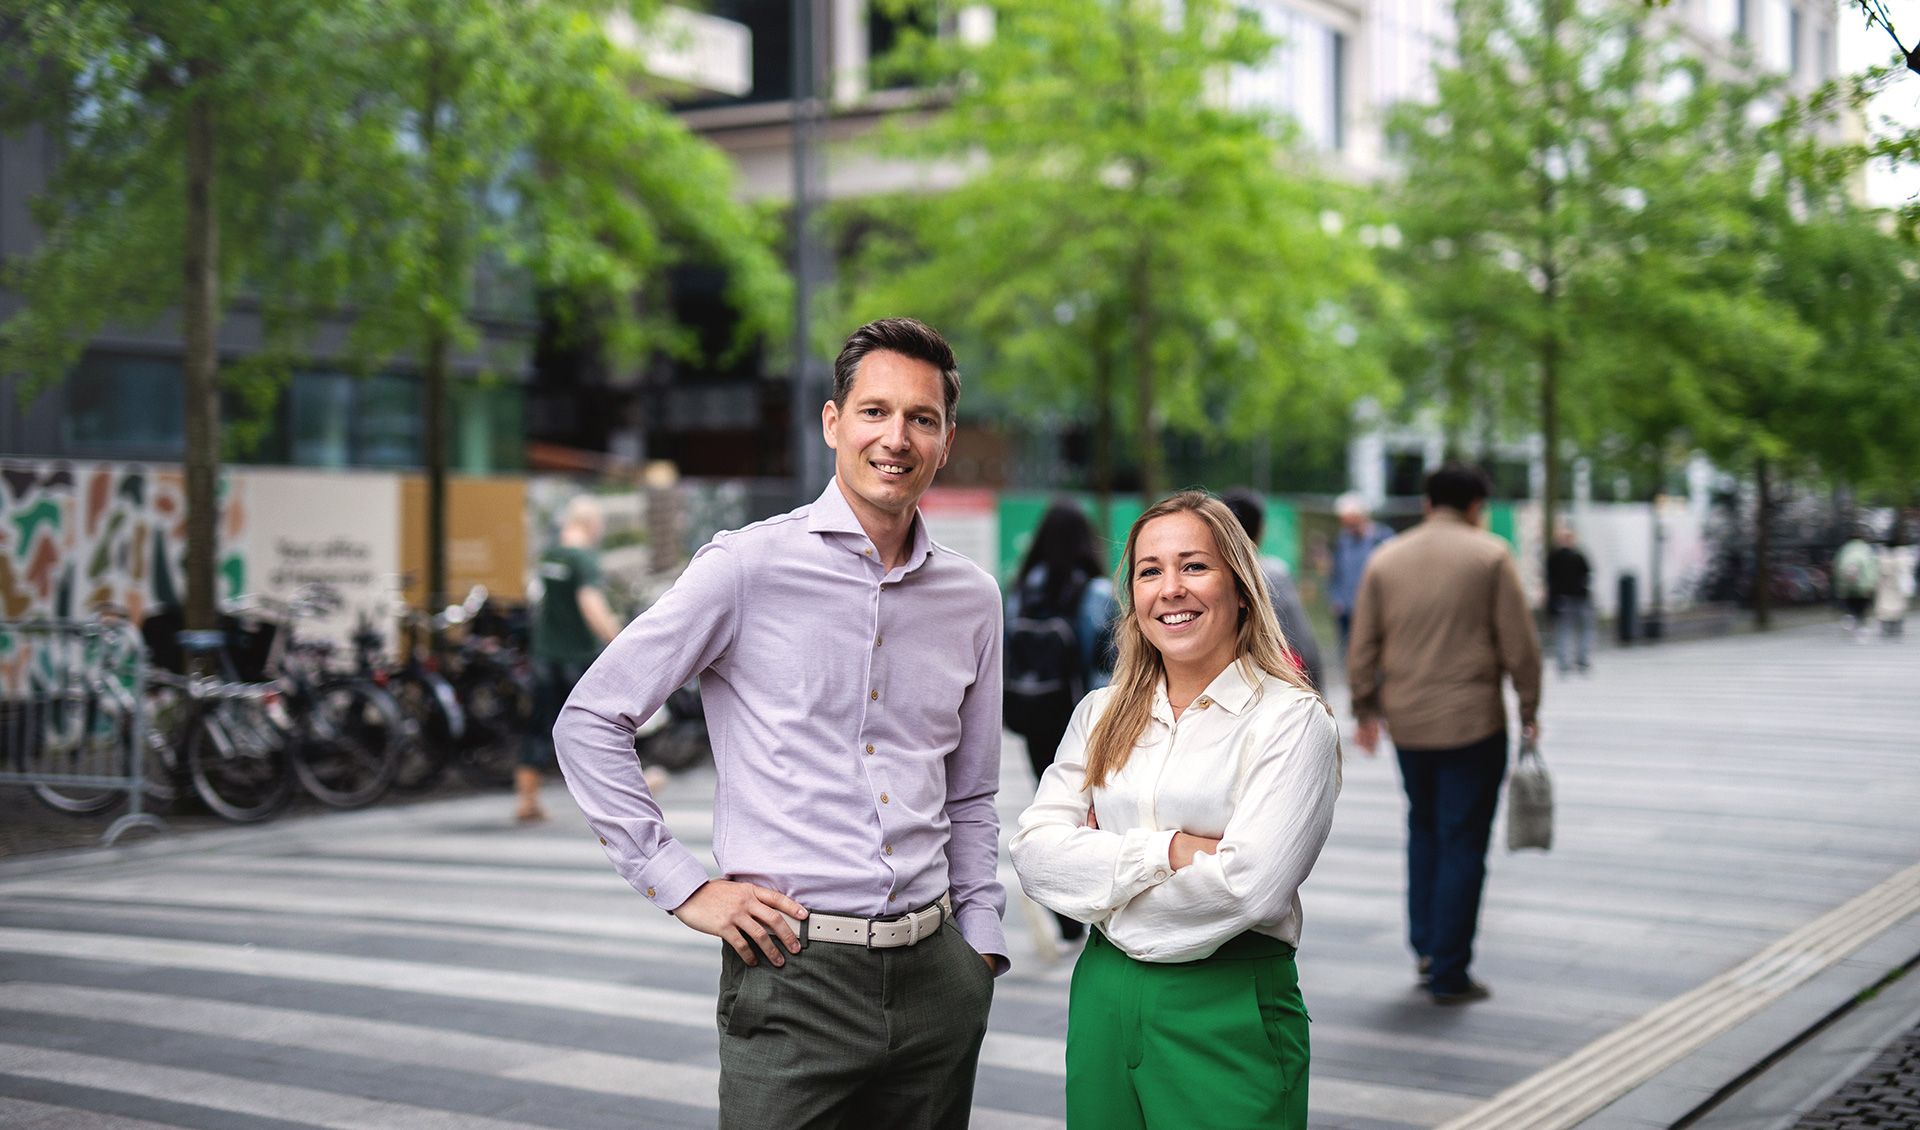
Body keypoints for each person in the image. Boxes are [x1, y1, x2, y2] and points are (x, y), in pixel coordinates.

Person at [554, 317, 1006, 1129]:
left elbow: (970, 793)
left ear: (944, 440)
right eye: (874, 411)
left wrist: (980, 938)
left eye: (921, 418)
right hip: (794, 974)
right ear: (833, 423)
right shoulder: (745, 567)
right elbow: (590, 718)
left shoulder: (972, 598)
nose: (895, 437)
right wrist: (682, 884)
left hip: (941, 977)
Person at [1010, 491, 1342, 1130]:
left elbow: (1248, 889)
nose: (1171, 589)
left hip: (1228, 1005)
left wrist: (1102, 879)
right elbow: (1033, 856)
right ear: (1132, 595)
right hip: (1103, 998)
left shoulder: (1291, 722)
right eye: (1150, 570)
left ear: (1240, 586)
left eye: (1195, 566)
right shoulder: (1100, 713)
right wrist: (1172, 851)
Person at [1347, 463, 1541, 1006]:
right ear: (1476, 505)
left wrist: (1365, 708)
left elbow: (1363, 646)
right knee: (1463, 841)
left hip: (1409, 724)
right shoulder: (1491, 555)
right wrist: (1529, 704)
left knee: (1424, 828)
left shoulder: (1386, 560)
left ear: (1428, 502)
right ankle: (1451, 971)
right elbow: (1519, 644)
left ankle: (1427, 948)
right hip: (1473, 722)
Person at [1005, 499, 1119, 943]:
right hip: (1081, 716)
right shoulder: (1094, 591)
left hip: (1033, 713)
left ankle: (1065, 911)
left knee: (1050, 804)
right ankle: (1090, 903)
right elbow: (1110, 662)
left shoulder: (1021, 589)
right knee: (1093, 810)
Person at [519, 495, 626, 824]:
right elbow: (590, 603)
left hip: (544, 652)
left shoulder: (550, 555)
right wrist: (617, 638)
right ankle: (622, 794)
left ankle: (527, 800)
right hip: (578, 655)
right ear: (591, 525)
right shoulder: (583, 560)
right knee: (602, 723)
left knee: (539, 724)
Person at [1221, 487, 1325, 692]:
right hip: (1264, 686)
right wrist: (1316, 693)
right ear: (1261, 528)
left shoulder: (1201, 576)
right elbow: (1300, 643)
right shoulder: (1272, 575)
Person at [1329, 492, 1392, 651]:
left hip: (1375, 608)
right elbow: (1334, 573)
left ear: (1362, 517)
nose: (1348, 527)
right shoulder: (1342, 540)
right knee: (1348, 652)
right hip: (1346, 610)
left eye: (1351, 522)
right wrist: (1336, 598)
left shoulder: (1382, 538)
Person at [1545, 524, 1595, 676]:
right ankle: (1577, 660)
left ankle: (1569, 661)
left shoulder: (1556, 556)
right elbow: (1587, 575)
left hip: (1568, 599)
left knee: (1566, 630)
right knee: (1572, 630)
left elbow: (1549, 579)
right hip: (1573, 598)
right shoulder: (1576, 555)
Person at [1834, 528, 1878, 636]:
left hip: (1847, 584)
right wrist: (1872, 582)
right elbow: (1872, 567)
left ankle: (1849, 617)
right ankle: (1862, 625)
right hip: (1863, 584)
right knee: (1862, 606)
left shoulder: (1844, 549)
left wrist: (1840, 583)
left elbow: (1837, 566)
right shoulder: (1866, 549)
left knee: (1850, 603)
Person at [1873, 534, 1915, 639]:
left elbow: (1877, 573)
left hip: (1885, 588)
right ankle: (1896, 628)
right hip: (1898, 588)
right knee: (1898, 609)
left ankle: (1886, 628)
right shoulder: (1903, 557)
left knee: (1884, 609)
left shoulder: (1881, 558)